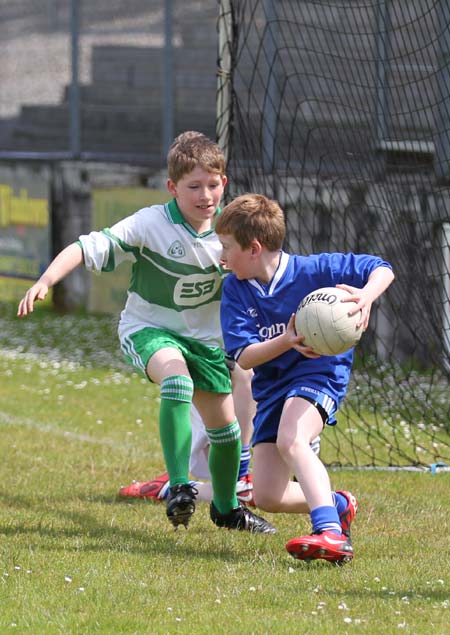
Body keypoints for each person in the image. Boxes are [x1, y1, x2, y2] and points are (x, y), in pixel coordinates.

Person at [17, 131, 276, 535]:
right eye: (193, 187)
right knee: (176, 380)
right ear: (173, 188)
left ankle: (226, 510)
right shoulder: (150, 223)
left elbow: (270, 266)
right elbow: (86, 246)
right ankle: (179, 487)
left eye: (212, 184)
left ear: (224, 184)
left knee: (226, 433)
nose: (204, 195)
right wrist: (45, 281)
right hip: (149, 330)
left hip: (205, 344)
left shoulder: (231, 230)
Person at [214, 193, 395, 563]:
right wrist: (288, 340)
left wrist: (365, 297)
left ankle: (330, 533)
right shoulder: (235, 288)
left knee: (292, 440)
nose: (221, 257)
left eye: (226, 247)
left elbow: (382, 268)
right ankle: (337, 503)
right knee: (266, 496)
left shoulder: (316, 271)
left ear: (254, 248)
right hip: (272, 387)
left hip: (319, 373)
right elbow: (245, 357)